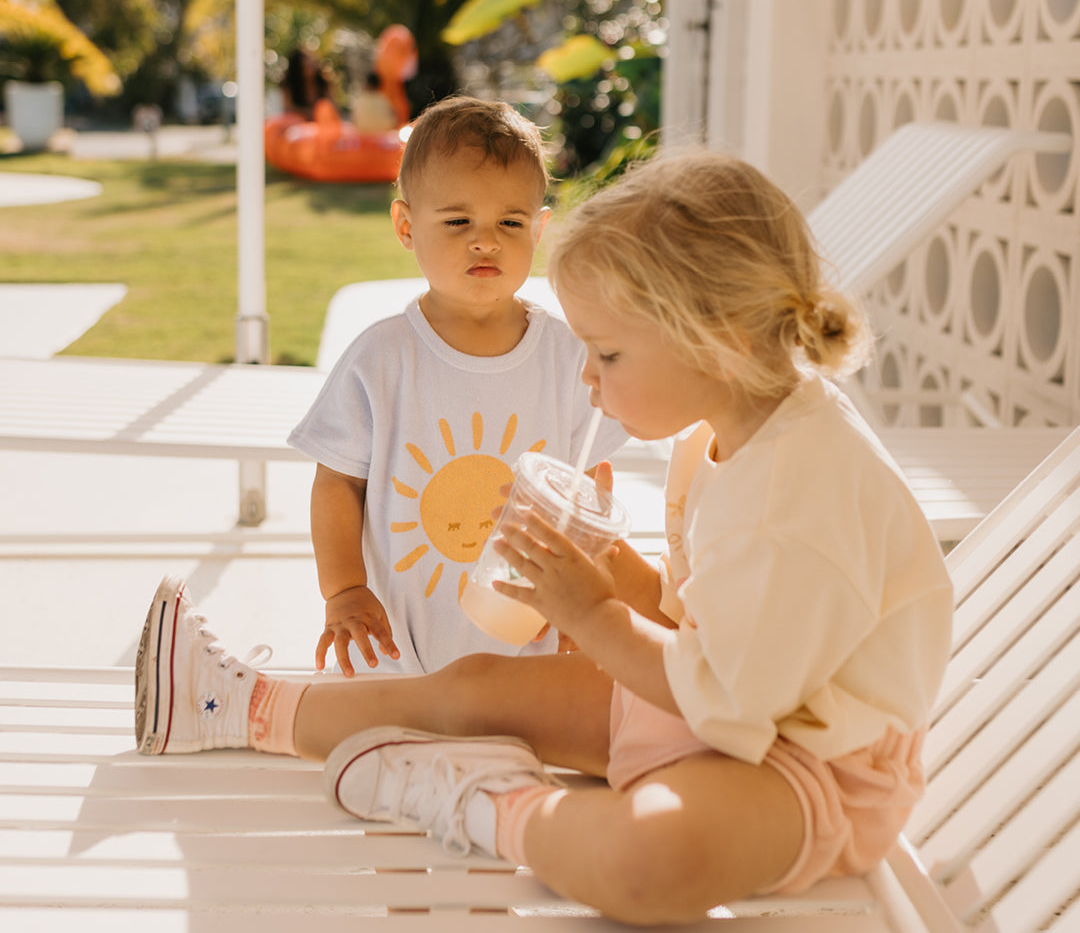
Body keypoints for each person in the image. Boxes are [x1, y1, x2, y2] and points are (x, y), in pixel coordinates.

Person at [134, 149, 953, 924]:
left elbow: (731, 699)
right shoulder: (725, 431)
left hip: (804, 769)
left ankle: (491, 804)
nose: (586, 377)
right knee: (477, 685)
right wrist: (606, 565)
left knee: (654, 859)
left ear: (719, 339)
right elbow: (694, 621)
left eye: (605, 352)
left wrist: (592, 613)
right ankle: (231, 703)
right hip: (715, 706)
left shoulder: (801, 494)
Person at [286, 95, 626, 675]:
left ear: (539, 229)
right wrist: (343, 591)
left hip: (527, 640)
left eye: (510, 222)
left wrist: (585, 595)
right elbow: (337, 484)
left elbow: (586, 486)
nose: (485, 240)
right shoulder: (382, 358)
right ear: (405, 226)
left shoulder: (566, 357)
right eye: (458, 221)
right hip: (398, 648)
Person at [281, 46, 332, 120]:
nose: (311, 68)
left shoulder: (324, 82)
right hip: (298, 122)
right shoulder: (289, 85)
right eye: (306, 66)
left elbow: (332, 106)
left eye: (312, 64)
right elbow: (288, 109)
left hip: (321, 122)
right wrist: (309, 113)